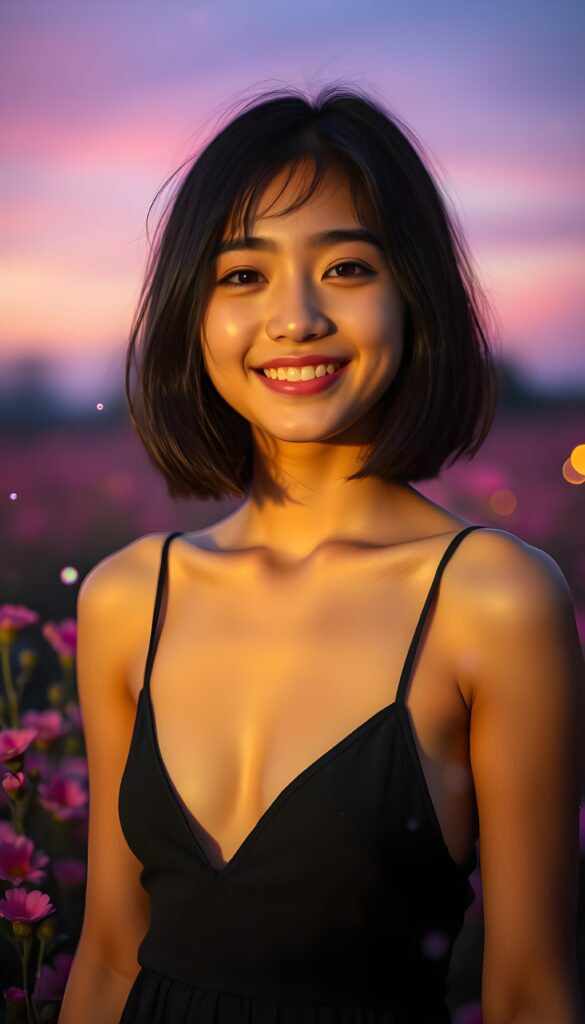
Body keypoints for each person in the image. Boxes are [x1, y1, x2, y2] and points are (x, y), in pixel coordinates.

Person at [59, 84, 585, 1023]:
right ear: (193, 312)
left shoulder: (492, 600)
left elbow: (527, 991)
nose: (295, 318)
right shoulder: (126, 597)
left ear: (414, 293)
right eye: (242, 275)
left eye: (346, 268)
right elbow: (105, 958)